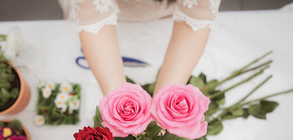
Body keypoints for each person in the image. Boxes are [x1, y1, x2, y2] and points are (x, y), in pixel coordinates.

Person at [59, 0, 221, 96]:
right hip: (94, 10)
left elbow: (192, 22)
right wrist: (119, 106)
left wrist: (163, 108)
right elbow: (94, 22)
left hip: (167, 10)